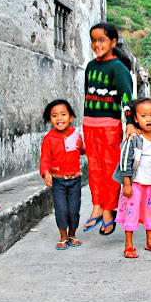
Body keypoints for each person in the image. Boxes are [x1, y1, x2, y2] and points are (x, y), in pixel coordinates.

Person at [83, 22, 137, 236]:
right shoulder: (90, 66)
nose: (97, 44)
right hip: (89, 125)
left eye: (102, 40)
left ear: (113, 42)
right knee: (94, 169)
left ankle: (108, 210)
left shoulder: (118, 69)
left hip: (109, 127)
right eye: (94, 40)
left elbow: (127, 98)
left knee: (109, 170)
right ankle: (96, 206)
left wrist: (130, 122)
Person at [113, 98, 151, 258]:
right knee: (131, 212)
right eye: (143, 116)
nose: (148, 119)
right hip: (134, 183)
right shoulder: (134, 137)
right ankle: (128, 245)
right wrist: (127, 184)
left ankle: (150, 242)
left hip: (150, 184)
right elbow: (124, 161)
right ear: (135, 119)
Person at [39, 99, 85, 250]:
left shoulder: (76, 134)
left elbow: (83, 149)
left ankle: (72, 234)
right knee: (61, 209)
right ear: (50, 120)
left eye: (63, 114)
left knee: (74, 209)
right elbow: (45, 158)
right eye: (54, 116)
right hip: (58, 181)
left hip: (75, 180)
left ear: (71, 117)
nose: (59, 118)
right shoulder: (49, 139)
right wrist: (46, 173)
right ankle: (63, 236)